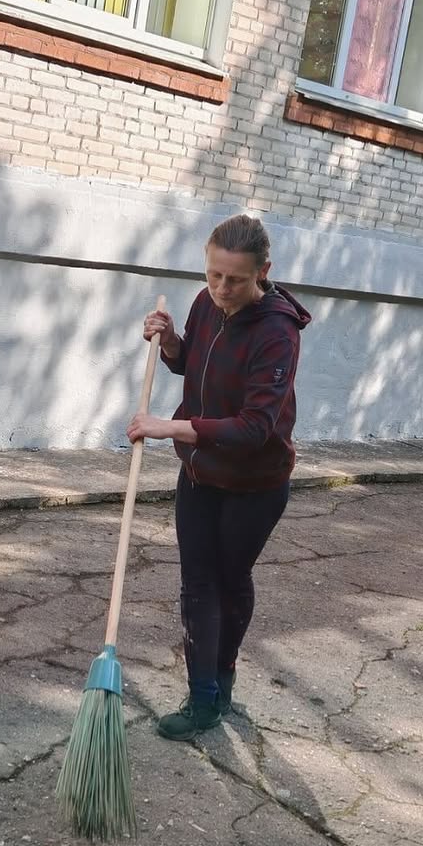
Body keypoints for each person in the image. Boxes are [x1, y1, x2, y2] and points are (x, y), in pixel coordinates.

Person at [127, 213, 311, 741]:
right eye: (213, 275)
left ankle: (223, 679)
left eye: (235, 279)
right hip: (201, 473)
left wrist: (171, 428)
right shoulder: (206, 303)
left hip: (256, 484)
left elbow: (256, 427)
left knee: (230, 582)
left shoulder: (278, 332)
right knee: (197, 584)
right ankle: (203, 697)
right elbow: (193, 365)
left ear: (263, 272)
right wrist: (168, 345)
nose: (222, 289)